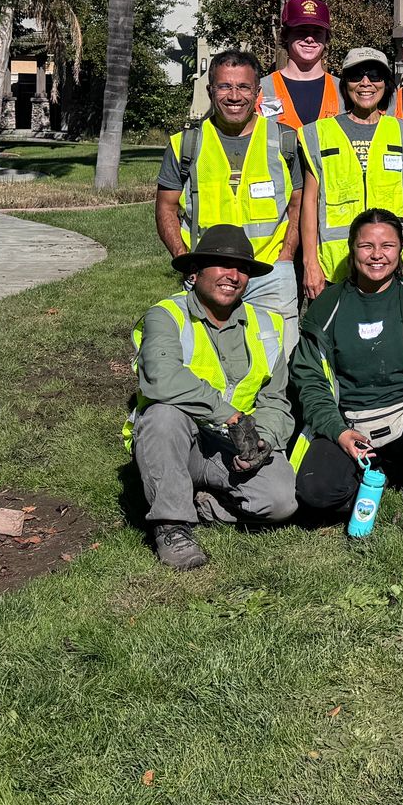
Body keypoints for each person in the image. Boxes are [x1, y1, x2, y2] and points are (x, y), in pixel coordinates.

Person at [128, 224, 297, 570]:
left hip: (231, 446)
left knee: (283, 500)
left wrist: (260, 441)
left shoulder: (267, 324)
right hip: (181, 441)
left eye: (243, 269)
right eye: (222, 265)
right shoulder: (166, 315)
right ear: (196, 271)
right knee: (162, 416)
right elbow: (162, 379)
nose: (233, 276)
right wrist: (230, 416)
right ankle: (172, 527)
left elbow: (276, 400)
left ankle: (205, 505)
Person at [291, 211, 403, 536]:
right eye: (366, 246)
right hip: (350, 427)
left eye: (387, 245)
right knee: (314, 493)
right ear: (351, 249)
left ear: (401, 248)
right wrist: (338, 432)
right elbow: (310, 382)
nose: (377, 255)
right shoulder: (325, 308)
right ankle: (371, 472)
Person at [157, 52, 303, 350]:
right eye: (224, 87)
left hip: (270, 273)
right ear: (210, 90)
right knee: (209, 360)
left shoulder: (285, 141)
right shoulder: (185, 144)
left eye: (244, 87)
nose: (234, 96)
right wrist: (185, 259)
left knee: (279, 361)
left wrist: (287, 254)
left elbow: (299, 205)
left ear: (257, 92)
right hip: (208, 275)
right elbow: (166, 208)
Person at [299, 46, 403, 298]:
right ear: (345, 84)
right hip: (335, 265)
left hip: (390, 261)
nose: (365, 82)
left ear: (386, 84)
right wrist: (309, 262)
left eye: (375, 75)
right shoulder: (318, 133)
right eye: (356, 75)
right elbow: (310, 202)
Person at [259, 0, 342, 130]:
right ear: (286, 35)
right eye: (301, 31)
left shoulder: (344, 91)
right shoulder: (261, 90)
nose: (309, 38)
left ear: (327, 38)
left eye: (317, 32)